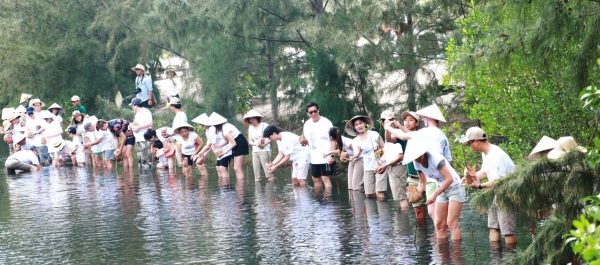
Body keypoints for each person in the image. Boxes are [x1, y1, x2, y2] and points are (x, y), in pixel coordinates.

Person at [385, 104, 452, 220]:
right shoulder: (440, 134)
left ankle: (438, 234)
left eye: (411, 120)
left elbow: (408, 135)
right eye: (405, 120)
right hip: (423, 178)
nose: (422, 119)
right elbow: (449, 161)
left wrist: (389, 127)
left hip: (433, 178)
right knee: (430, 212)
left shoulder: (425, 133)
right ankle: (430, 235)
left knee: (434, 213)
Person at [460, 127, 517, 247]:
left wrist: (479, 186)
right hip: (495, 193)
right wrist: (471, 178)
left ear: (476, 141)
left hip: (506, 193)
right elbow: (485, 172)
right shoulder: (485, 154)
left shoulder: (496, 155)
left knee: (507, 231)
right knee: (493, 227)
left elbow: (499, 180)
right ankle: (495, 258)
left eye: (469, 144)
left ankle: (511, 258)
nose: (469, 147)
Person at [403, 139, 465, 240]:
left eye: (419, 156)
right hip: (441, 188)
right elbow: (422, 182)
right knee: (439, 224)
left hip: (454, 187)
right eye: (414, 157)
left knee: (451, 223)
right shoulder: (416, 163)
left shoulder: (435, 159)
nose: (417, 159)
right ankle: (443, 253)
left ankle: (456, 253)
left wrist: (435, 194)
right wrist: (416, 195)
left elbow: (449, 179)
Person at [346, 115, 385, 199]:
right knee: (369, 194)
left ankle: (382, 211)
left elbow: (384, 147)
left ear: (365, 124)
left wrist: (380, 154)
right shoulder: (355, 140)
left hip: (380, 164)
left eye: (361, 123)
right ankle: (372, 211)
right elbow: (356, 154)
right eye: (356, 124)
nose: (359, 126)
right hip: (367, 167)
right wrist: (350, 159)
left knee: (379, 192)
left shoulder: (374, 134)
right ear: (354, 127)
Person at [206, 112, 248, 179]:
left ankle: (241, 187)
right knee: (236, 168)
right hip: (236, 142)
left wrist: (224, 152)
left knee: (237, 168)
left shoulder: (225, 128)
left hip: (240, 142)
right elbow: (226, 141)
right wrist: (218, 145)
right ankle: (239, 186)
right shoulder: (222, 128)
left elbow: (233, 143)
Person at [302, 102, 335, 188]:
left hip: (325, 157)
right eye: (311, 112)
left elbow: (334, 140)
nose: (313, 113)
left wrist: (332, 155)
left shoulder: (326, 123)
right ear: (307, 113)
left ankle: (328, 200)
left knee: (325, 177)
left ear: (318, 110)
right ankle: (318, 199)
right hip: (314, 157)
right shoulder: (307, 124)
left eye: (315, 111)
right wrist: (304, 142)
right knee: (315, 178)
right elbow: (307, 140)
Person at [198, 113, 232, 179]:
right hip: (218, 152)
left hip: (225, 150)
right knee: (218, 168)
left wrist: (200, 153)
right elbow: (209, 145)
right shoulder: (207, 131)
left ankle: (225, 187)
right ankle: (221, 186)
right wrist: (204, 155)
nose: (202, 126)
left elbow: (209, 145)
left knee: (222, 168)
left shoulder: (212, 128)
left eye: (202, 124)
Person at [244, 109, 272, 181]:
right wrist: (256, 144)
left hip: (265, 150)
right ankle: (259, 192)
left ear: (257, 118)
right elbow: (250, 141)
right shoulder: (250, 127)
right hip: (255, 151)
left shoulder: (264, 125)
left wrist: (264, 144)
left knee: (269, 174)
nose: (252, 120)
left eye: (253, 118)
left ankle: (271, 191)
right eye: (250, 119)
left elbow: (271, 138)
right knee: (257, 176)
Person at [130, 97, 154, 167]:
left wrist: (138, 127)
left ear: (135, 105)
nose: (132, 107)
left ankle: (148, 176)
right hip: (138, 140)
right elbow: (137, 123)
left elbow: (150, 123)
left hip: (145, 139)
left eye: (132, 105)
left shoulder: (145, 112)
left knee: (146, 161)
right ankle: (142, 176)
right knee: (140, 162)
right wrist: (132, 126)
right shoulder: (137, 113)